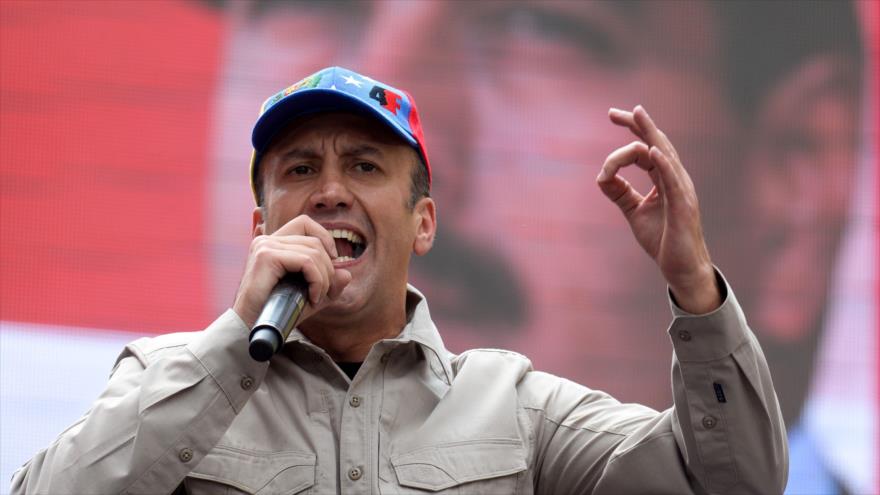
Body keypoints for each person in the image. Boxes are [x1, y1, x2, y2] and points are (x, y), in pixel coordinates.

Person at [12, 66, 786, 494]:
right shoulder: (168, 382)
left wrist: (693, 284)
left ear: (423, 224)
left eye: (365, 166)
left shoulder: (517, 408)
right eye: (300, 169)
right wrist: (229, 347)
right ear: (259, 227)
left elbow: (735, 484)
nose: (329, 190)